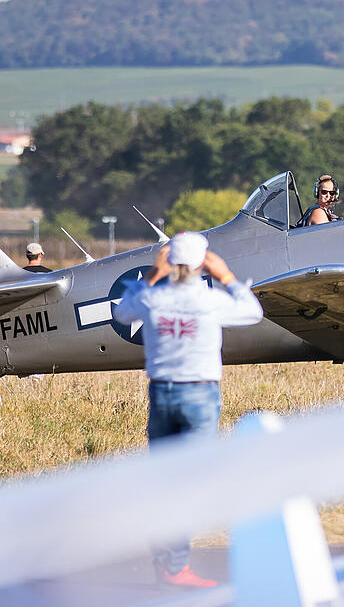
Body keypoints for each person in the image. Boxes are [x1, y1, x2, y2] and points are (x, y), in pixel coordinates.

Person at [113, 232, 263, 588]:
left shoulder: (152, 298)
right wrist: (226, 276)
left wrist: (151, 274)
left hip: (162, 394)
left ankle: (165, 549)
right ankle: (175, 565)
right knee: (190, 483)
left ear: (170, 263)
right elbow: (253, 312)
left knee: (165, 476)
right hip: (199, 394)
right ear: (201, 264)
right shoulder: (212, 301)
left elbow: (121, 312)